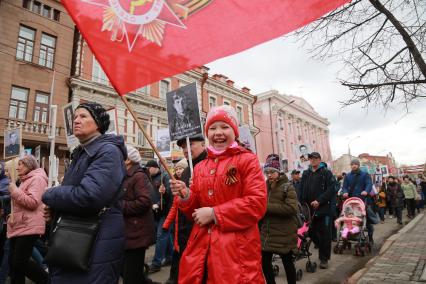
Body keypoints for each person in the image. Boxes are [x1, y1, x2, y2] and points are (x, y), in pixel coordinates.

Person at [170, 105, 267, 283]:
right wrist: (186, 196)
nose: (218, 132)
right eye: (213, 128)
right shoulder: (200, 167)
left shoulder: (247, 160)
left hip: (236, 250)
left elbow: (256, 204)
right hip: (201, 249)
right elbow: (197, 212)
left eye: (224, 127)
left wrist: (215, 214)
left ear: (234, 131)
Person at [42, 102, 127, 283]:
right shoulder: (81, 152)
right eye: (75, 117)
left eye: (83, 116)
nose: (76, 121)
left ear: (98, 123)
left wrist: (50, 195)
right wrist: (56, 211)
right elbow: (73, 193)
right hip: (77, 241)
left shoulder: (108, 152)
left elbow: (88, 197)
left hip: (95, 245)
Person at [163, 134, 206, 284]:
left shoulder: (209, 165)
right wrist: (182, 194)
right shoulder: (187, 170)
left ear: (203, 144)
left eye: (190, 144)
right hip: (184, 232)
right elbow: (182, 203)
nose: (185, 150)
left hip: (202, 234)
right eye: (182, 147)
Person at [6, 155, 48, 284]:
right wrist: (13, 215)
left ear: (29, 166)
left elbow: (33, 202)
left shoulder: (37, 179)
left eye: (21, 164)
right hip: (20, 225)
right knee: (15, 265)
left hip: (29, 226)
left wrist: (14, 191)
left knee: (20, 262)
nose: (17, 167)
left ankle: (47, 280)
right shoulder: (25, 180)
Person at [121, 145, 157, 284]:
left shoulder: (139, 176)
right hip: (128, 232)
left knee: (131, 277)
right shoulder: (126, 175)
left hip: (137, 234)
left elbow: (144, 202)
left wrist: (120, 206)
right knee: (130, 274)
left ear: (128, 160)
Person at [260, 154, 298, 284]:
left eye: (271, 172)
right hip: (268, 233)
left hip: (284, 233)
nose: (269, 175)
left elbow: (291, 209)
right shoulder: (264, 187)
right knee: (264, 262)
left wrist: (266, 207)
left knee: (287, 262)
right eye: (266, 172)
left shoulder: (288, 186)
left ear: (278, 172)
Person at [300, 152, 335, 269]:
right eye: (311, 159)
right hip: (309, 211)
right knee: (311, 233)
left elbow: (331, 190)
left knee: (325, 234)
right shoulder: (306, 173)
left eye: (315, 158)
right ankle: (322, 248)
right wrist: (300, 202)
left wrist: (319, 201)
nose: (313, 160)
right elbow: (301, 189)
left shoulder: (326, 173)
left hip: (324, 209)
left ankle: (324, 259)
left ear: (320, 160)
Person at [145, 160, 173, 273]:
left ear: (154, 167)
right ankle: (170, 257)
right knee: (165, 236)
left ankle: (156, 263)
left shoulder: (165, 176)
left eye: (148, 168)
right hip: (156, 212)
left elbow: (170, 195)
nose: (147, 170)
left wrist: (160, 203)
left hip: (166, 211)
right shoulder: (150, 178)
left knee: (161, 236)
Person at [342, 159, 375, 244]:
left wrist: (366, 191)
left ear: (358, 165)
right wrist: (345, 192)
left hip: (363, 201)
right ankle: (349, 234)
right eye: (352, 164)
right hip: (351, 202)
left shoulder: (365, 175)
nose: (354, 166)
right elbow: (344, 186)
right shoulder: (348, 176)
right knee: (349, 219)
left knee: (366, 220)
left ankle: (370, 237)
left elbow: (369, 184)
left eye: (355, 164)